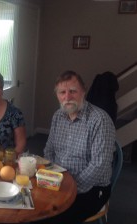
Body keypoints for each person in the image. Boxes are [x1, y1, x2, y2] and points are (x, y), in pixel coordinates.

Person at [40, 70, 116, 224]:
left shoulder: (100, 120)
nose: (67, 97)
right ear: (57, 95)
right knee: (32, 206)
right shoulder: (58, 116)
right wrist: (50, 177)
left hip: (92, 188)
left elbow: (98, 165)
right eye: (62, 92)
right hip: (60, 181)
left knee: (51, 218)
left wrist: (70, 188)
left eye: (73, 91)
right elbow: (49, 150)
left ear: (83, 92)